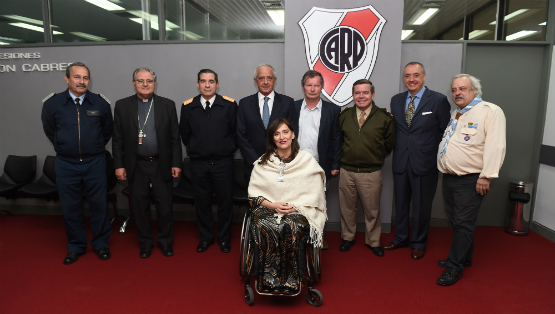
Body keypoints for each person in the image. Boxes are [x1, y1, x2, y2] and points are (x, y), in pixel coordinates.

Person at [436, 74, 506, 286]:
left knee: (464, 224)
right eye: (454, 89)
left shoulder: (490, 111)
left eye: (463, 89)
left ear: (474, 90)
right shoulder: (457, 113)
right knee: (457, 222)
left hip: (471, 179)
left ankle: (454, 267)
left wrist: (486, 176)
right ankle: (464, 258)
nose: (457, 93)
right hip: (450, 177)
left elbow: (496, 146)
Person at [41, 62, 113, 265]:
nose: (82, 81)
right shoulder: (52, 104)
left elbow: (107, 131)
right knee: (70, 207)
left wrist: (95, 146)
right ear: (67, 78)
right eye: (77, 77)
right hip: (66, 164)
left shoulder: (100, 104)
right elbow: (49, 130)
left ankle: (101, 244)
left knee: (99, 206)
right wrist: (64, 146)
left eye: (85, 78)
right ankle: (76, 246)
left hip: (95, 163)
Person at [248, 118, 326, 294]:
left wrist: (296, 207)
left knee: (289, 225)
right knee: (264, 225)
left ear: (293, 135)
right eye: (276, 134)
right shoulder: (263, 162)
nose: (281, 137)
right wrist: (273, 205)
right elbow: (254, 195)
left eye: (285, 132)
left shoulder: (306, 160)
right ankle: (268, 280)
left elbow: (315, 193)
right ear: (272, 138)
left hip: (298, 210)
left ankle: (291, 280)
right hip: (269, 208)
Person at [112, 67, 182, 258]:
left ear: (155, 83)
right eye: (141, 81)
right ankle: (145, 243)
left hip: (161, 164)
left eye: (149, 81)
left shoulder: (167, 105)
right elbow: (117, 138)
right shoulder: (122, 105)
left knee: (165, 206)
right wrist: (119, 165)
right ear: (134, 83)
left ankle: (165, 242)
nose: (145, 84)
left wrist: (176, 163)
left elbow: (175, 138)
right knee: (139, 206)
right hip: (136, 165)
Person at [385, 62, 451, 260]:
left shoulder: (438, 100)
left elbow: (444, 133)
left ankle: (419, 242)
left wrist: (430, 153)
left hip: (425, 163)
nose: (411, 79)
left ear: (423, 77)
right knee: (401, 203)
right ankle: (401, 238)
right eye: (407, 76)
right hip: (401, 162)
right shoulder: (396, 100)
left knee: (422, 206)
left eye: (415, 75)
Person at [180, 69, 237, 253]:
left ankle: (224, 239)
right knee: (202, 203)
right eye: (203, 81)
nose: (207, 85)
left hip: (223, 164)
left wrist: (225, 149)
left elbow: (236, 133)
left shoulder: (229, 105)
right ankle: (205, 238)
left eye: (211, 81)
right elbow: (185, 135)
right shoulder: (188, 106)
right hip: (199, 164)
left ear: (217, 84)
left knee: (225, 204)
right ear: (197, 84)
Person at [338, 79, 396, 256]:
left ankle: (374, 241)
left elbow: (389, 143)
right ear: (353, 95)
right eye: (357, 93)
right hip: (346, 171)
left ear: (372, 94)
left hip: (370, 172)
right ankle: (348, 237)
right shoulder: (344, 116)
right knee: (347, 209)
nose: (361, 96)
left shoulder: (384, 117)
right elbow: (338, 141)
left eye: (365, 92)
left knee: (372, 210)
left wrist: (374, 157)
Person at [293, 70, 341, 250]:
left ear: (322, 87)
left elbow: (337, 138)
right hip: (295, 165)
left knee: (319, 203)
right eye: (309, 85)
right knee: (296, 202)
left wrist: (336, 164)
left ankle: (318, 237)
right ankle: (298, 236)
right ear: (303, 86)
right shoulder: (293, 107)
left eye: (316, 85)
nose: (312, 89)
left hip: (321, 165)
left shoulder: (333, 110)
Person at [237, 64, 296, 179]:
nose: (265, 82)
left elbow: (293, 132)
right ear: (255, 81)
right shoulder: (244, 104)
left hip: (281, 165)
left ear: (275, 80)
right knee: (256, 197)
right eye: (261, 78)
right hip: (253, 167)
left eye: (269, 78)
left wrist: (279, 160)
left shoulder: (287, 102)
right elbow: (240, 135)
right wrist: (256, 161)